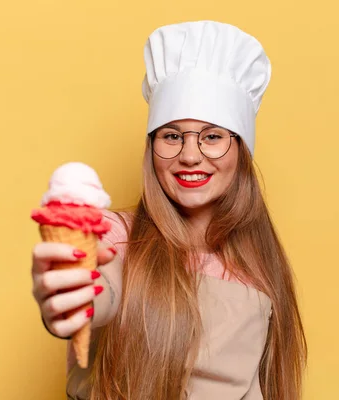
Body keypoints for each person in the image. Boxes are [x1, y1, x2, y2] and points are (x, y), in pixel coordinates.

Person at [31, 21, 307, 400]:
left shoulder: (260, 265)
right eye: (172, 135)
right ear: (152, 147)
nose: (190, 155)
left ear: (240, 150)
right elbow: (102, 292)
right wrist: (72, 297)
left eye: (212, 136)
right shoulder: (117, 235)